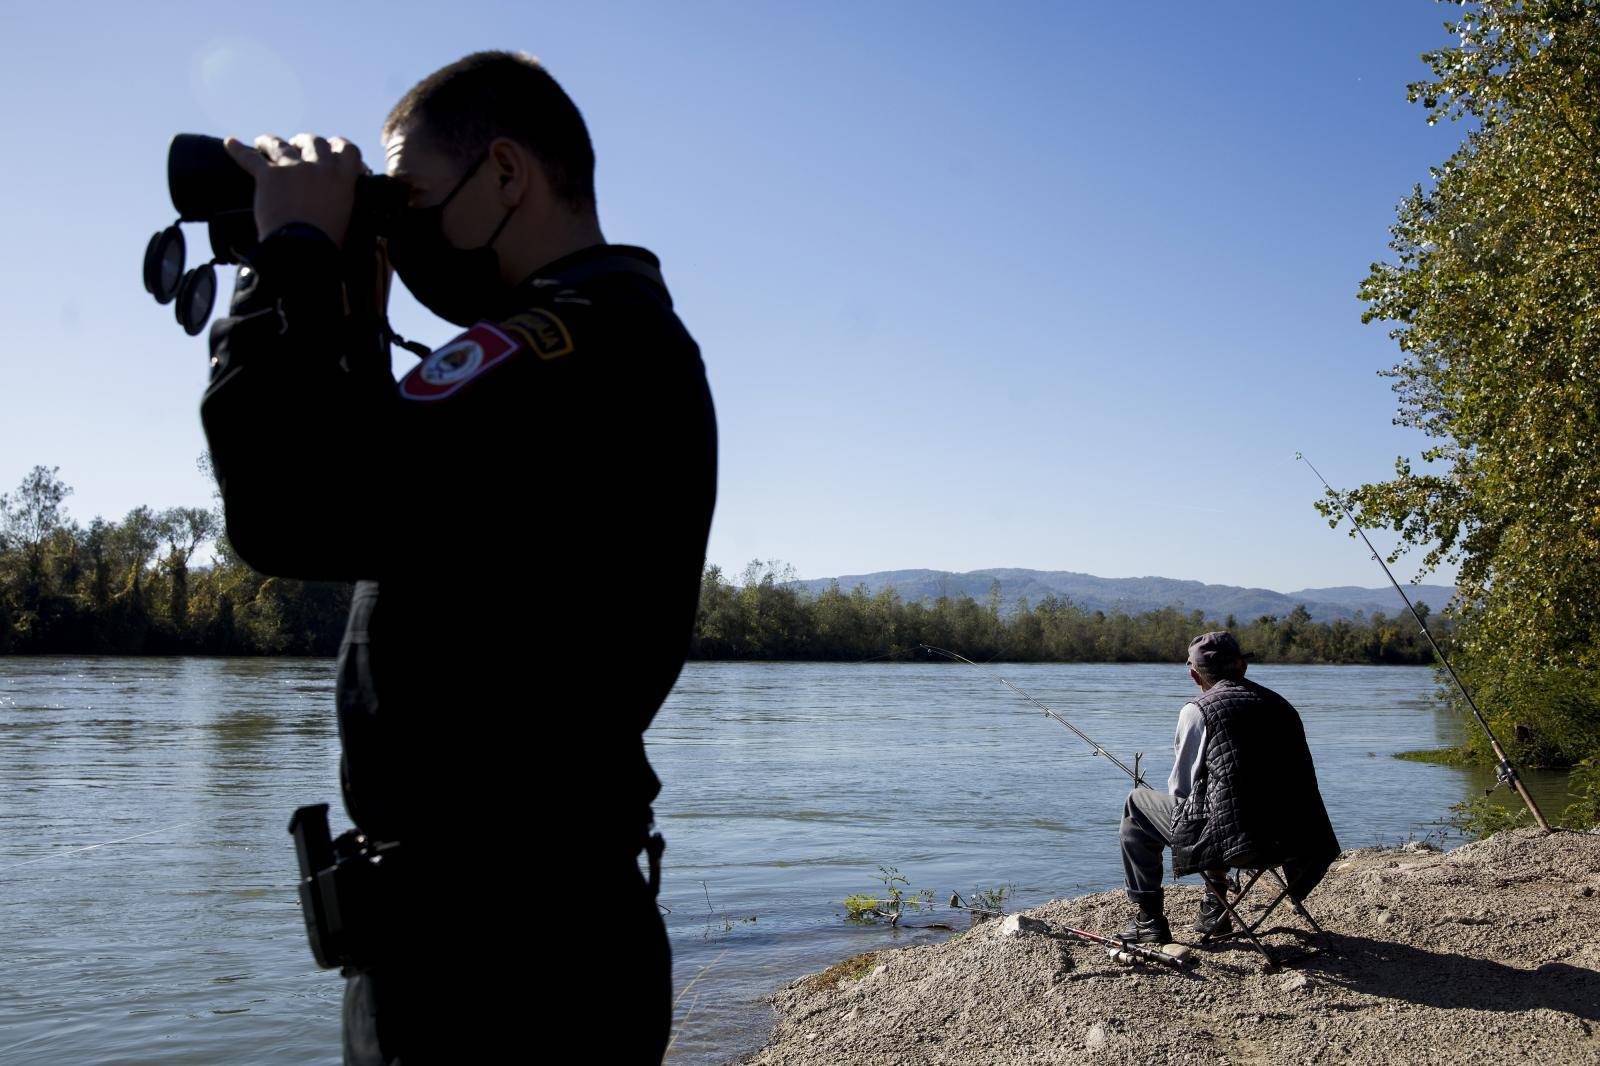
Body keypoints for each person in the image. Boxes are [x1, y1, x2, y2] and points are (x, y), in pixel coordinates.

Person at [200, 52, 716, 1063]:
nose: (403, 225)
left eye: (414, 197)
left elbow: (290, 504)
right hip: (515, 940)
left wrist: (293, 251)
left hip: (498, 965)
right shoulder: (595, 345)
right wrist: (347, 301)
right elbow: (378, 490)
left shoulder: (566, 345)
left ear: (509, 174)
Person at [1116, 631, 1338, 944]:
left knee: (1137, 804)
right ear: (1242, 666)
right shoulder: (1282, 706)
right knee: (1224, 808)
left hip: (1243, 846)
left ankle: (1149, 919)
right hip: (1296, 841)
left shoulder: (1197, 710)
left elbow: (1181, 791)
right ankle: (1213, 911)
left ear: (1195, 675)